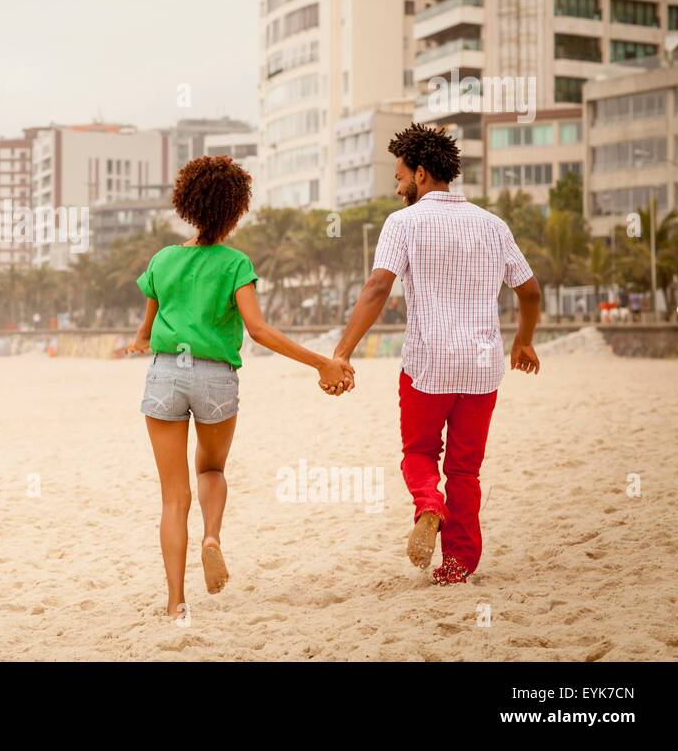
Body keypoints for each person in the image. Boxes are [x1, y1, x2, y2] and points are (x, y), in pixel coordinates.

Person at [127, 155, 354, 619]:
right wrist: (320, 363)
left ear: (187, 204)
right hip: (214, 377)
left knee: (173, 497)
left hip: (166, 373)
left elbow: (145, 332)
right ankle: (212, 536)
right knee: (210, 471)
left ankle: (175, 603)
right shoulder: (235, 263)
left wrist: (140, 343)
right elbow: (259, 331)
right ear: (235, 210)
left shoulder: (163, 260)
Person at [333, 124, 541, 585]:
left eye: (399, 176)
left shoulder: (403, 223)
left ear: (421, 174)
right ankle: (456, 566)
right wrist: (523, 341)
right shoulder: (493, 224)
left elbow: (378, 287)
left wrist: (342, 351)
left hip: (428, 365)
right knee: (465, 470)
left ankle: (428, 505)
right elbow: (529, 290)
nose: (397, 186)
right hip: (482, 369)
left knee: (418, 452)